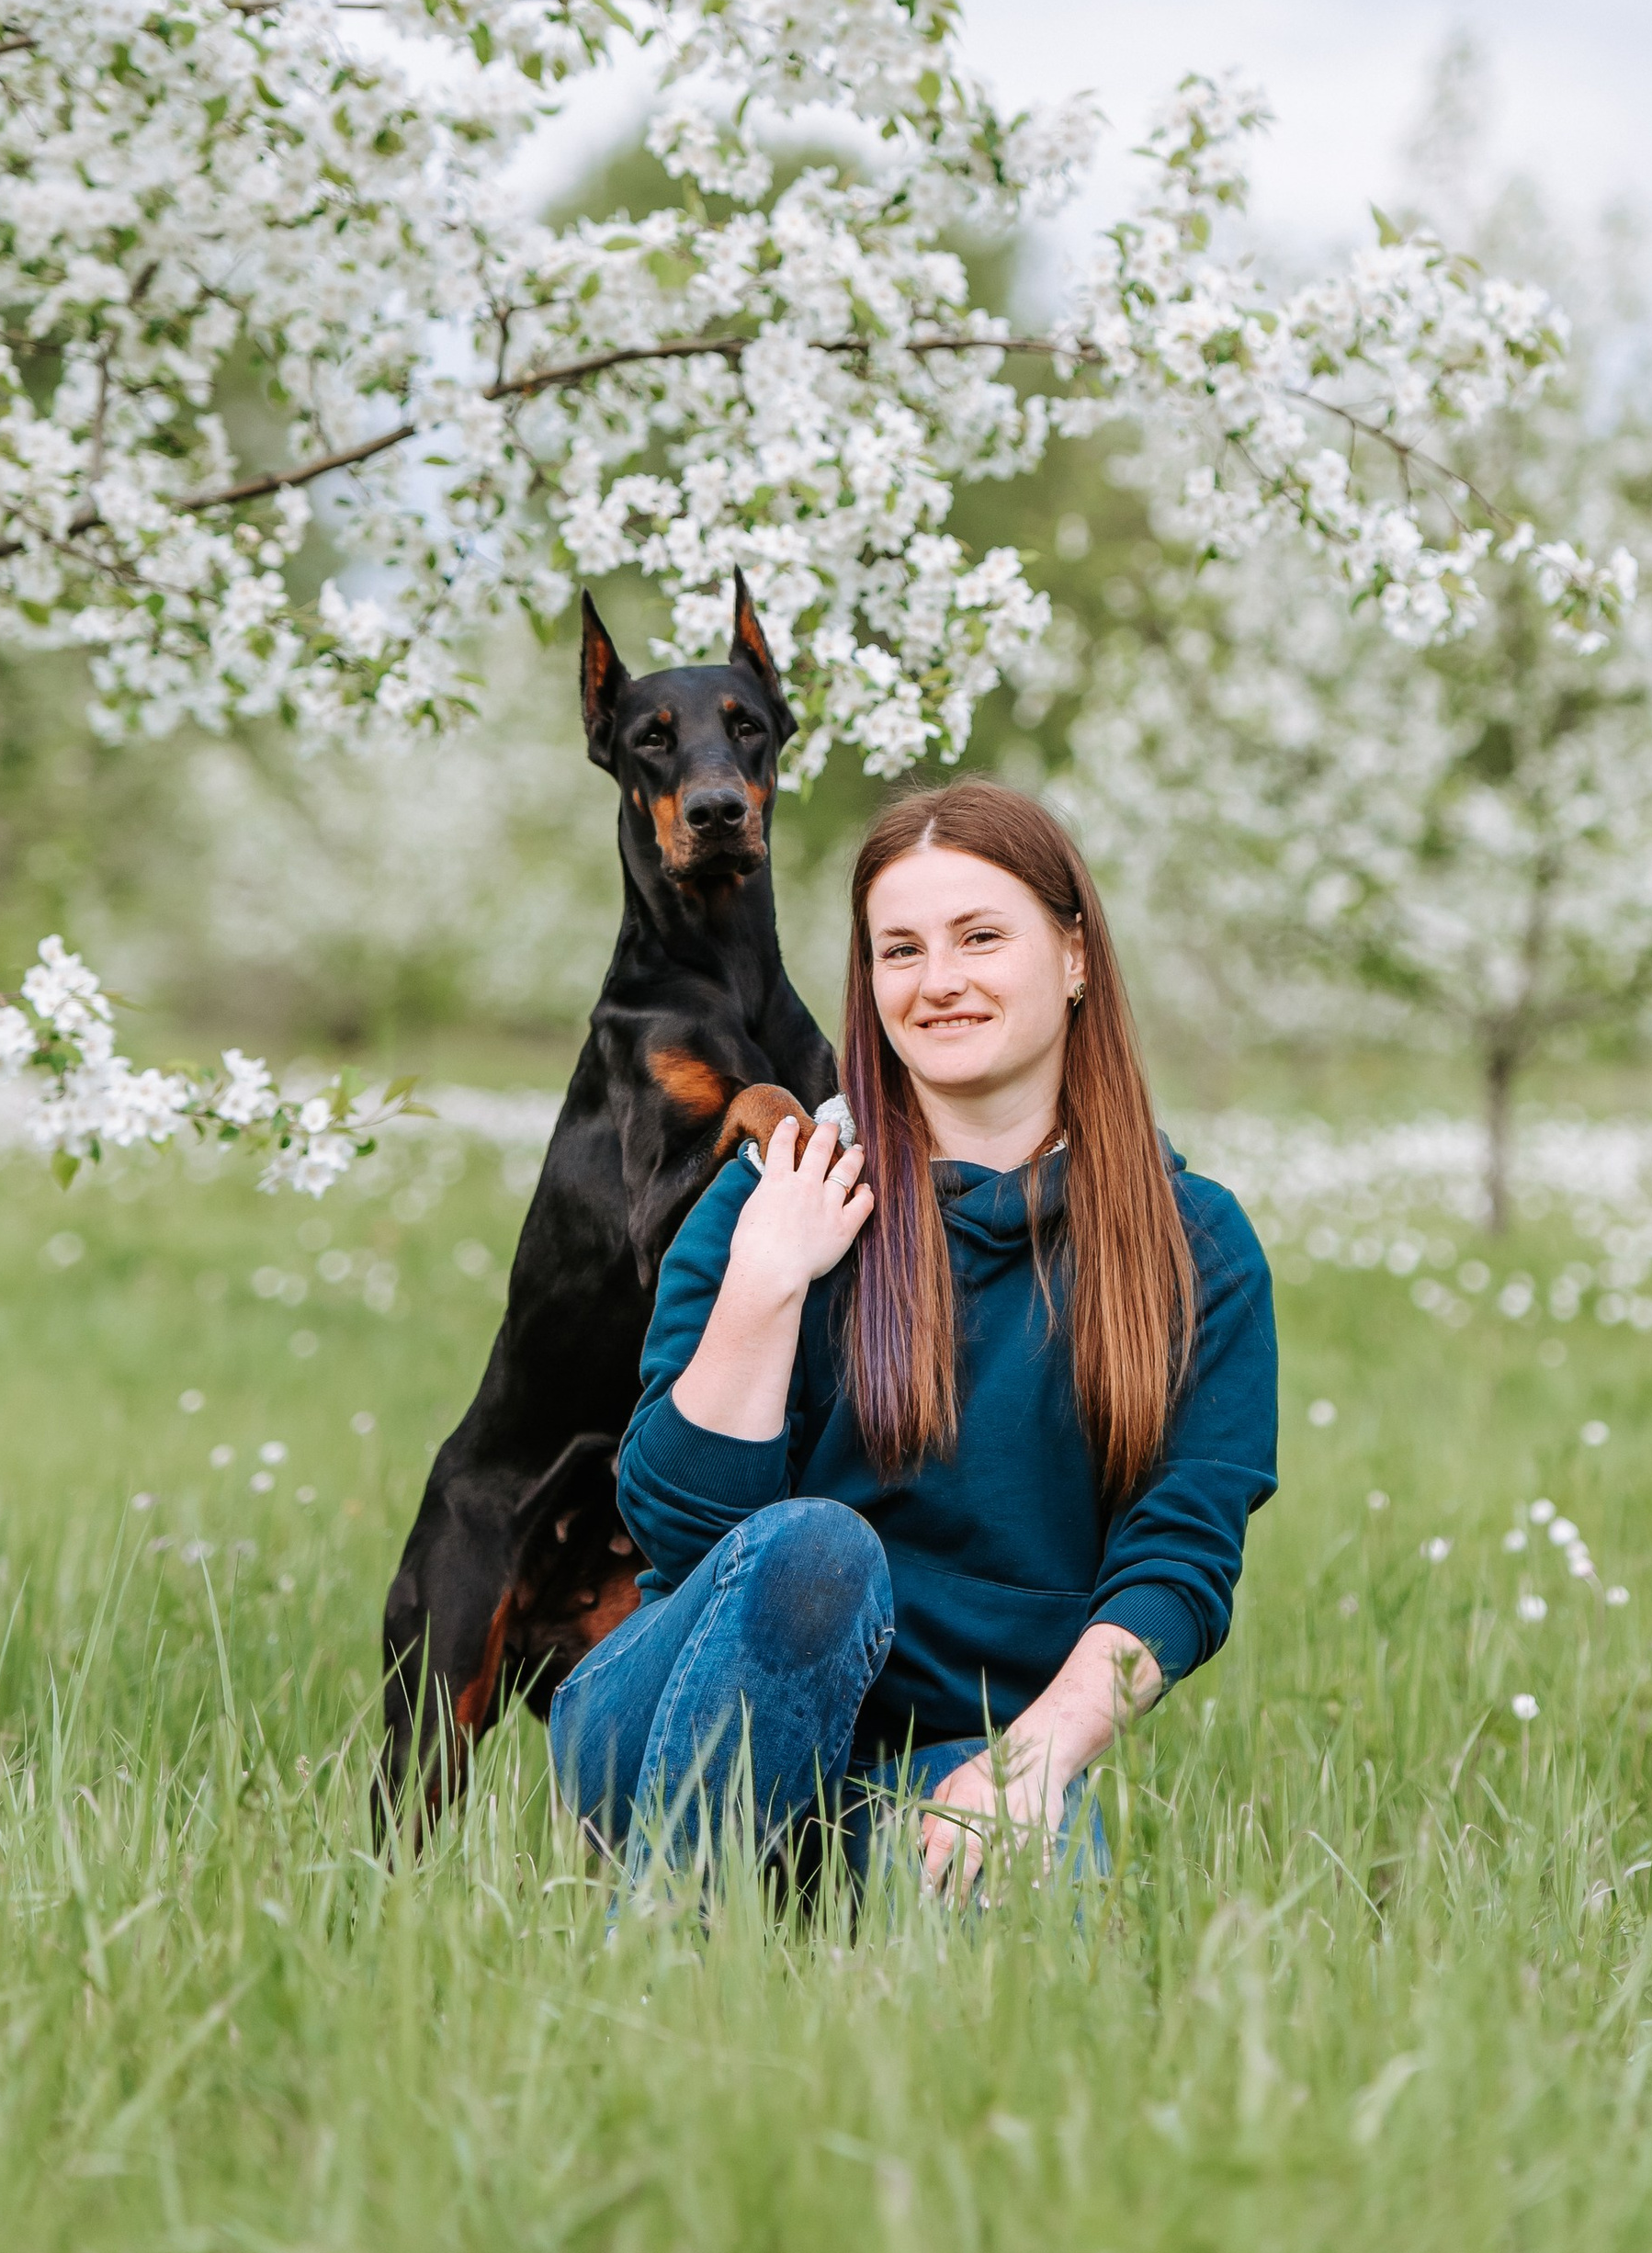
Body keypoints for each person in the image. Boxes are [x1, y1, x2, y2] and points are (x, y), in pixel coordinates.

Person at [548, 778, 1279, 1895]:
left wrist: (1026, 1772)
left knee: (1025, 1935)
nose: (938, 982)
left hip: (953, 1759)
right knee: (813, 1551)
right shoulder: (779, 1194)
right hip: (670, 1725)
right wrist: (765, 1281)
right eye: (899, 950)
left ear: (1074, 953)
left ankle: (847, 1894)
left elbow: (1176, 1564)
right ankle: (660, 1954)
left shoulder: (1195, 1246)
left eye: (980, 936)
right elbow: (687, 1537)